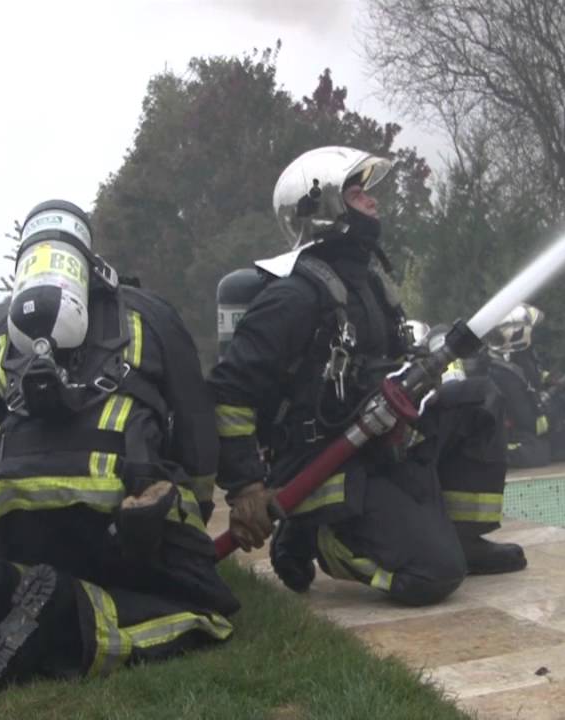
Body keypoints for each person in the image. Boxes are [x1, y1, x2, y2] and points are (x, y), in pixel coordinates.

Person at [0, 200, 237, 689]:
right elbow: (196, 426)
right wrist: (190, 514)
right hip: (118, 516)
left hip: (15, 521)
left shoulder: (0, 335)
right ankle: (70, 612)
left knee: (30, 578)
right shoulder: (149, 314)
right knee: (206, 609)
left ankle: (3, 586)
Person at [207, 146, 526, 608]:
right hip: (327, 465)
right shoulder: (293, 297)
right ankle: (316, 538)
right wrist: (245, 486)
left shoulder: (368, 283)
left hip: (378, 443)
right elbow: (229, 391)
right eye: (357, 194)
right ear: (323, 210)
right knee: (432, 574)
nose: (372, 202)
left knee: (478, 401)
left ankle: (465, 538)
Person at [468, 304, 565, 468]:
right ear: (519, 334)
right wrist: (560, 401)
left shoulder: (517, 356)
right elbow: (533, 424)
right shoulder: (502, 375)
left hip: (528, 425)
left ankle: (542, 448)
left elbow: (532, 376)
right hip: (511, 432)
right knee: (537, 454)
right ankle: (492, 453)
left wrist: (550, 379)